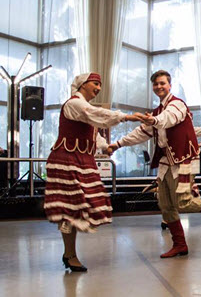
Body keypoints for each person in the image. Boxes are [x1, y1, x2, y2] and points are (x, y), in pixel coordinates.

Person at [108, 70, 201, 258]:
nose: (159, 87)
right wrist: (117, 144)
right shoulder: (157, 111)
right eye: (156, 84)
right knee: (165, 205)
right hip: (166, 162)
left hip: (184, 161)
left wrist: (155, 120)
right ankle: (180, 244)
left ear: (169, 85)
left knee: (183, 202)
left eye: (162, 83)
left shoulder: (177, 105)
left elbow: (168, 118)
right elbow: (141, 133)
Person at [44, 73, 144, 272]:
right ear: (82, 84)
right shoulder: (75, 104)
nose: (98, 88)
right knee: (71, 208)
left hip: (83, 160)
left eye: (100, 84)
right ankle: (69, 253)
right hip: (68, 159)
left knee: (81, 206)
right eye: (95, 83)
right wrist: (126, 117)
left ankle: (68, 250)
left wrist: (107, 147)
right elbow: (96, 115)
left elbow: (93, 131)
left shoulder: (85, 110)